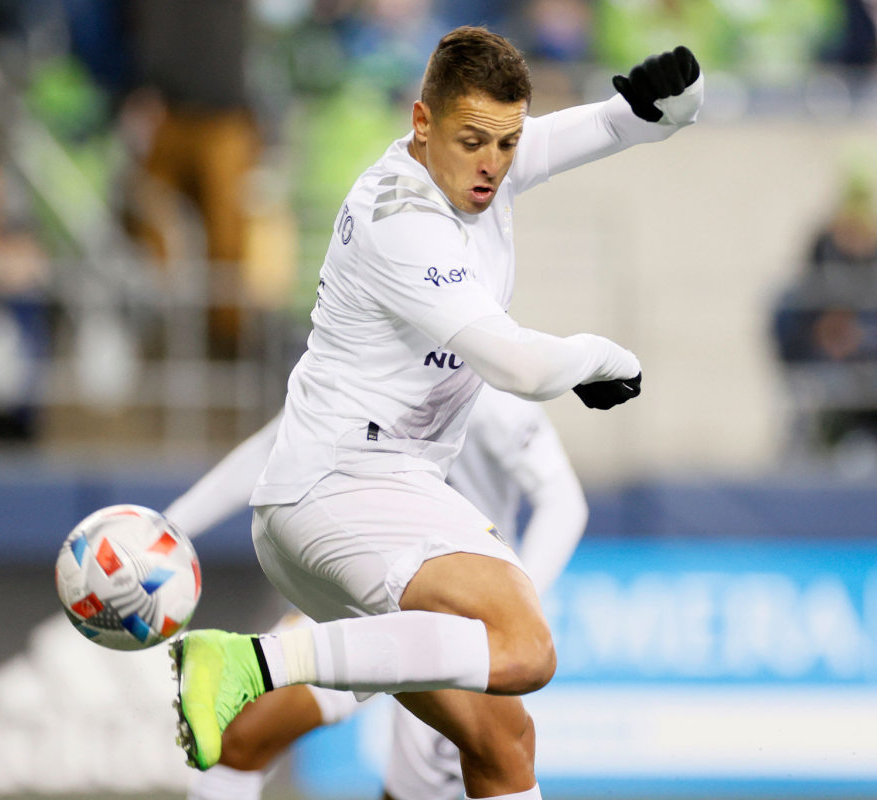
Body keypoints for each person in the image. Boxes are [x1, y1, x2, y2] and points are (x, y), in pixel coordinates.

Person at [169, 27, 703, 800]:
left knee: (501, 738)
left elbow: (599, 127)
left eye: (508, 142)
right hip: (346, 489)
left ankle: (257, 669)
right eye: (474, 140)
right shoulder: (402, 217)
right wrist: (601, 356)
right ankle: (249, 663)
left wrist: (662, 114)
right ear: (422, 124)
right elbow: (518, 365)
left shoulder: (486, 168)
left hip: (342, 497)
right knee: (524, 646)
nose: (493, 161)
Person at [161, 387, 587, 800]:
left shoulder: (487, 383)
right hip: (362, 591)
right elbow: (271, 451)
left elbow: (563, 501)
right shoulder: (358, 355)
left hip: (454, 618)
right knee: (237, 739)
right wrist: (167, 532)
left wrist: (508, 614)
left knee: (446, 779)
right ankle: (251, 663)